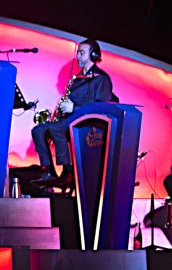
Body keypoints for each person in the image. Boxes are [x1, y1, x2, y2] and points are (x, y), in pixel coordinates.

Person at [30, 39, 115, 190]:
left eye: (82, 53)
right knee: (38, 130)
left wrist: (74, 107)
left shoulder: (101, 78)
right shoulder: (76, 79)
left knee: (56, 128)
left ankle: (68, 172)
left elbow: (101, 106)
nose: (78, 56)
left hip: (87, 121)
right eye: (78, 53)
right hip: (70, 118)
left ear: (94, 55)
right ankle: (49, 171)